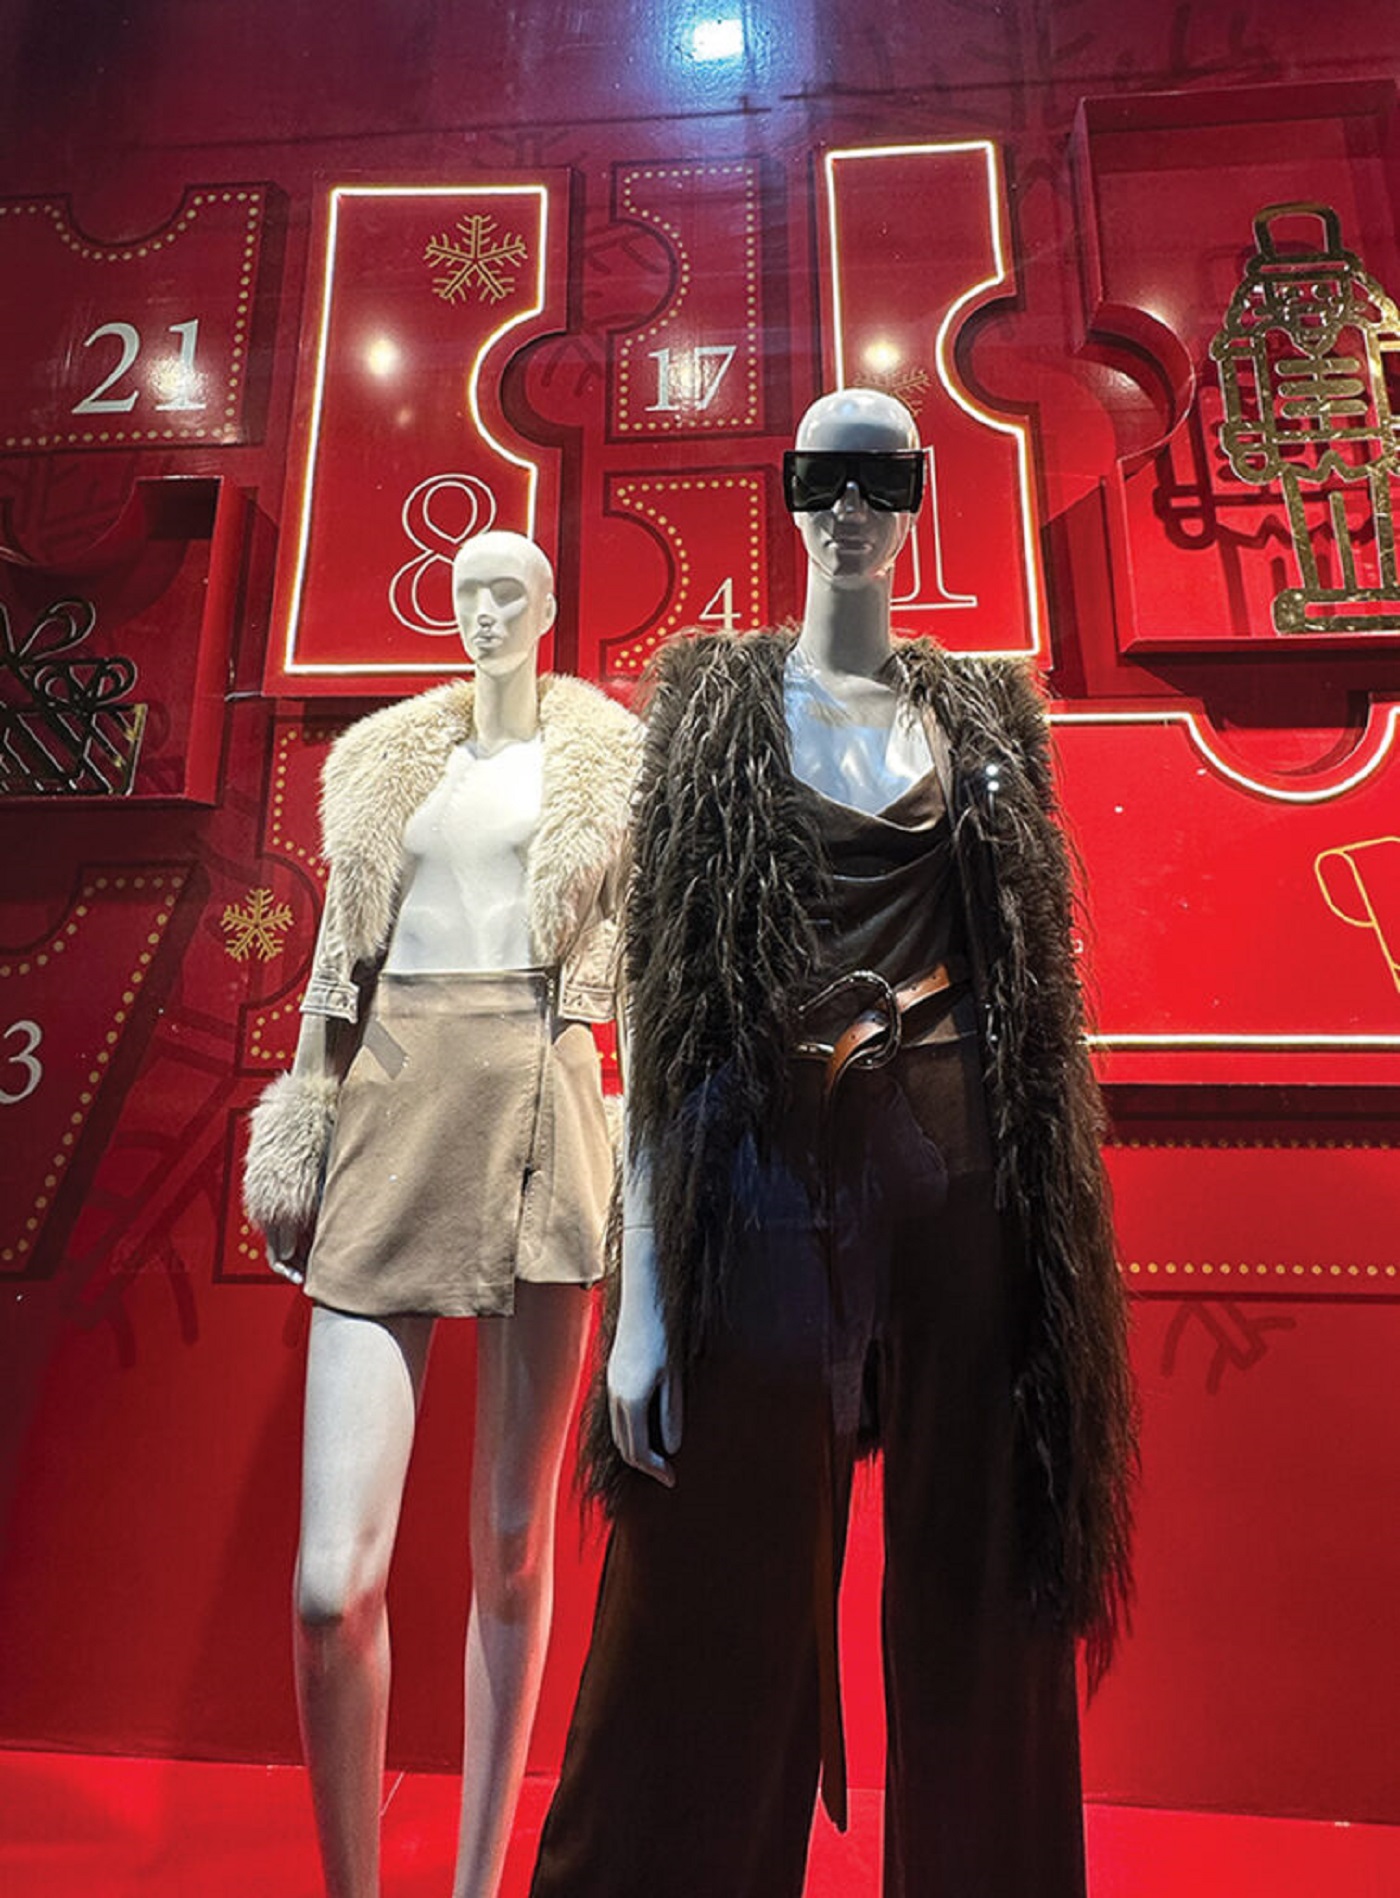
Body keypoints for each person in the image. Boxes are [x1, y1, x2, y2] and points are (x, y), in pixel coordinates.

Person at [530, 391, 1136, 1898]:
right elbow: (666, 1010)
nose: (850, 508)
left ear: (918, 497)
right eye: (823, 477)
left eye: (880, 479)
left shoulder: (984, 719)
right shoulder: (714, 718)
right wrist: (642, 1298)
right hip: (761, 1175)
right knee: (707, 1581)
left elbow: (1034, 984)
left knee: (983, 1570)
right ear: (792, 495)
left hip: (964, 1171)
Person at [242, 530, 640, 1898]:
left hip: (542, 1100)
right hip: (391, 1105)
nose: (482, 611)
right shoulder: (381, 765)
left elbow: (645, 990)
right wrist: (301, 1134)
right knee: (327, 1587)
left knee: (513, 1545)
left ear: (549, 606)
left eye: (507, 590)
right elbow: (331, 971)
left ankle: (477, 1882)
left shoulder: (610, 765)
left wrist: (644, 1174)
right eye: (464, 590)